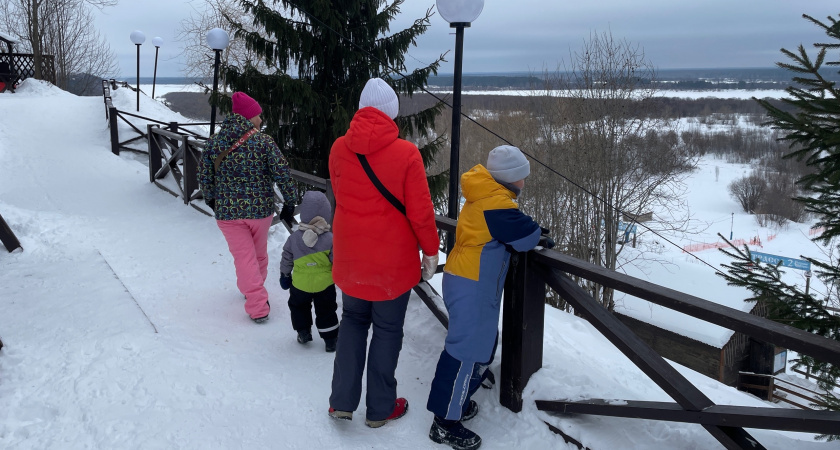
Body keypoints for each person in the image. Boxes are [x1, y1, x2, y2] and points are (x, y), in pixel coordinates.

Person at [327, 78, 440, 428]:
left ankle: (341, 402)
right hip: (392, 266)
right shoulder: (406, 154)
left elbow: (340, 195)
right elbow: (421, 212)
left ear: (361, 109)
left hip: (351, 258)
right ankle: (380, 409)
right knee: (388, 330)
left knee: (352, 322)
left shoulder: (339, 148)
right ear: (392, 112)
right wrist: (430, 252)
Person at [426, 145, 553, 450]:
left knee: (480, 346)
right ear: (510, 178)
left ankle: (455, 403)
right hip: (473, 285)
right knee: (465, 352)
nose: (524, 182)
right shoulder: (497, 205)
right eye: (522, 177)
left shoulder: (484, 195)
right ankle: (444, 422)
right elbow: (525, 236)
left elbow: (509, 229)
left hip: (465, 279)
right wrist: (538, 234)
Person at [198, 91, 298, 323]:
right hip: (260, 211)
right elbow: (282, 173)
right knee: (258, 254)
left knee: (245, 257)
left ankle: (253, 289)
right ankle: (258, 304)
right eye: (258, 115)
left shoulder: (214, 142)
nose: (261, 119)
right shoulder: (264, 142)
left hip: (228, 213)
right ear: (248, 117)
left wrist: (212, 199)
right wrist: (290, 201)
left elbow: (204, 176)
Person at [279, 190, 339, 352]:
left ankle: (303, 332)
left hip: (300, 284)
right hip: (325, 284)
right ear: (326, 213)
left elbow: (286, 257)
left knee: (298, 307)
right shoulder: (330, 239)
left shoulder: (294, 238)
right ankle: (330, 339)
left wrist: (285, 274)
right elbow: (336, 259)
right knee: (327, 309)